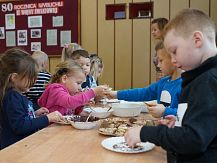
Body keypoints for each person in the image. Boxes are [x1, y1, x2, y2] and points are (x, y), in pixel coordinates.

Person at [125, 9, 217, 162]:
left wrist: (145, 133)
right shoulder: (200, 77)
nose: (173, 60)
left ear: (197, 40)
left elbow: (194, 140)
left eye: (174, 51)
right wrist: (180, 122)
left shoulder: (209, 81)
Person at [0, 48, 63, 149]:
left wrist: (35, 114)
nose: (34, 81)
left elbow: (19, 118)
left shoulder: (16, 95)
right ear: (14, 77)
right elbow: (20, 126)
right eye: (31, 78)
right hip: (14, 149)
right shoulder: (12, 97)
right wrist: (47, 118)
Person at [106, 41, 182, 118]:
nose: (158, 65)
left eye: (161, 60)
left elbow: (188, 115)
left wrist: (165, 111)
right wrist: (116, 94)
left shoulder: (185, 85)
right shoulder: (163, 82)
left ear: (174, 59)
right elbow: (142, 93)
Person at [38, 59, 107, 115]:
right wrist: (93, 92)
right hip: (51, 129)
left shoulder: (69, 91)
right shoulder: (56, 89)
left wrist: (81, 104)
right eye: (78, 83)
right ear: (64, 79)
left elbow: (73, 110)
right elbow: (69, 102)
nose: (80, 87)